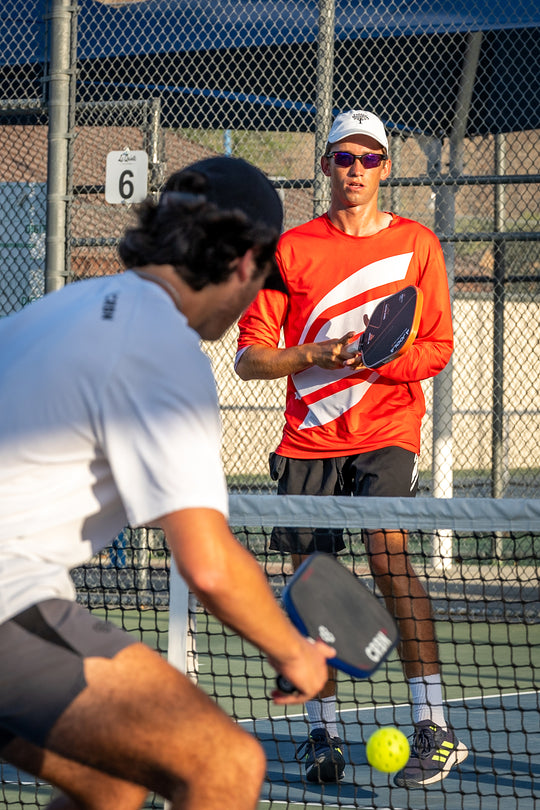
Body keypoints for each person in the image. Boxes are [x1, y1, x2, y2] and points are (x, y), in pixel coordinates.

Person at [0, 156, 335, 810]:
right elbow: (206, 564)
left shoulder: (59, 310)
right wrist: (295, 652)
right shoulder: (160, 342)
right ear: (243, 263)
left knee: (114, 783)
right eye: (263, 280)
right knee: (227, 764)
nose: (254, 299)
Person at [235, 111, 469, 788]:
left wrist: (373, 361)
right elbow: (252, 359)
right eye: (344, 159)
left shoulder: (417, 244)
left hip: (386, 432)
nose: (356, 171)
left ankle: (435, 727)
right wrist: (317, 354)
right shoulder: (290, 252)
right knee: (314, 587)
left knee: (388, 558)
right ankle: (323, 737)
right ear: (327, 164)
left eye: (370, 160)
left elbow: (437, 346)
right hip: (307, 440)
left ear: (387, 168)